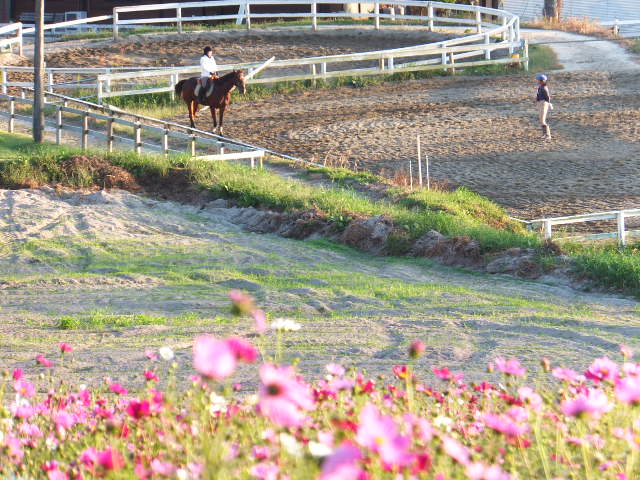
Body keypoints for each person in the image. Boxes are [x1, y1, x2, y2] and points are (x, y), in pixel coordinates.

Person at [535, 74, 553, 140]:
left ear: (542, 81)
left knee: (542, 120)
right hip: (540, 103)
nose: (537, 81)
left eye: (538, 80)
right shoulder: (540, 87)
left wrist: (549, 104)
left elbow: (548, 97)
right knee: (541, 120)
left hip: (544, 103)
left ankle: (548, 135)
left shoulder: (544, 88)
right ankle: (544, 134)